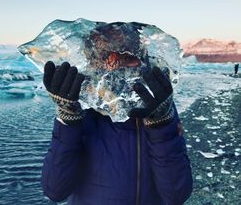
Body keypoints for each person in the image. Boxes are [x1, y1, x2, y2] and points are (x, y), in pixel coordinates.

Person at [41, 61, 193, 205]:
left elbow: (176, 194)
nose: (120, 60)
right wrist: (69, 119)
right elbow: (55, 190)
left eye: (128, 51)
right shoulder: (82, 105)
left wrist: (161, 126)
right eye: (109, 49)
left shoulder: (157, 103)